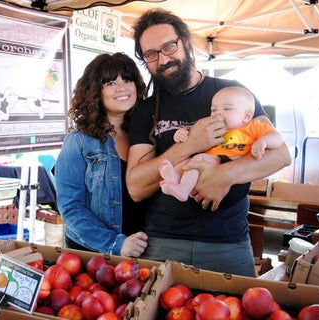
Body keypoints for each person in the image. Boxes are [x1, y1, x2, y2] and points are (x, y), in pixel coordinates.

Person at [126, 9, 291, 276]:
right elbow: (135, 186)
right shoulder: (147, 110)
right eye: (151, 54)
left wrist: (224, 176)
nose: (163, 59)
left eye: (169, 46)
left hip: (228, 243)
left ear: (186, 43)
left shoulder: (231, 93)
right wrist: (190, 145)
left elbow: (281, 154)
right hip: (162, 242)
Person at [55, 53, 149, 257]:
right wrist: (116, 244)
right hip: (94, 256)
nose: (122, 88)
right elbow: (70, 208)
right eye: (111, 82)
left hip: (144, 252)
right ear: (95, 91)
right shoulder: (78, 141)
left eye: (128, 79)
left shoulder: (146, 136)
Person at [160, 86, 285, 202]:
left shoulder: (252, 127)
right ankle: (176, 179)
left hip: (230, 162)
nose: (218, 113)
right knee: (186, 161)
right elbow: (192, 135)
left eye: (227, 108)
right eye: (213, 110)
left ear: (247, 116)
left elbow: (278, 138)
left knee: (198, 159)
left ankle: (183, 189)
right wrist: (181, 133)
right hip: (209, 165)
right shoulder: (213, 127)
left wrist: (263, 141)